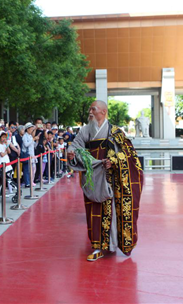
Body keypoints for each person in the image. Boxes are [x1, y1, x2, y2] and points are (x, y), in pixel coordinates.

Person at [67, 100, 144, 261]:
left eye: (93, 109)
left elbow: (130, 155)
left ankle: (112, 243)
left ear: (103, 111)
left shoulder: (115, 132)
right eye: (89, 109)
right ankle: (97, 246)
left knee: (111, 212)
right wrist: (71, 154)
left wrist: (114, 160)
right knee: (94, 211)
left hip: (110, 178)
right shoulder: (85, 130)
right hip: (92, 176)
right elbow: (74, 145)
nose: (90, 112)